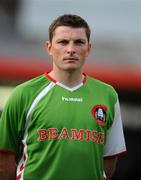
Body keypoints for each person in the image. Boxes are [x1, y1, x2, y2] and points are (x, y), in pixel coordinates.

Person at [0, 14, 126, 180]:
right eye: (63, 42)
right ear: (49, 47)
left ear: (89, 48)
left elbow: (109, 160)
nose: (71, 49)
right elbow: (5, 158)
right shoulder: (23, 94)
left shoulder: (107, 95)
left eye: (79, 42)